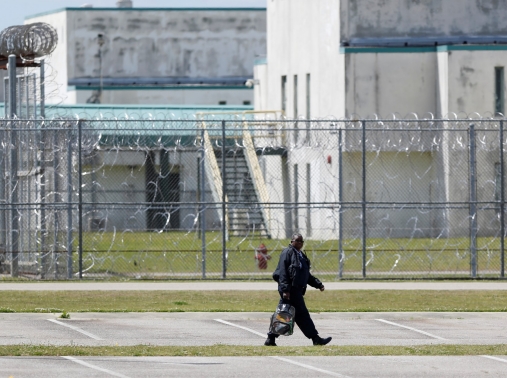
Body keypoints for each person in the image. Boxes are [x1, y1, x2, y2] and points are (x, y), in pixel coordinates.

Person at [264, 232, 332, 346]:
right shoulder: (287, 253)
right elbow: (283, 273)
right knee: (301, 314)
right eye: (297, 241)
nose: (299, 243)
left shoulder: (300, 255)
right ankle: (315, 338)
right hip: (290, 290)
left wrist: (318, 284)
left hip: (296, 290)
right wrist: (285, 290)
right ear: (292, 242)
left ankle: (271, 338)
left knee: (285, 314)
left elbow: (305, 275)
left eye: (301, 241)